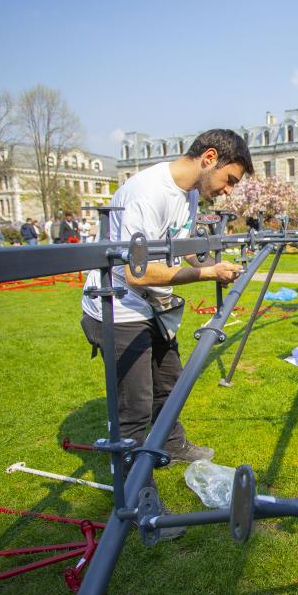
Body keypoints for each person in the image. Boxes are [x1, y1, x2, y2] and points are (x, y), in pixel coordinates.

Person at [80, 129, 253, 467]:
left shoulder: (187, 194)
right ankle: (133, 493)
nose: (229, 190)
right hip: (119, 308)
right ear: (209, 158)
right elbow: (137, 272)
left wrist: (215, 264)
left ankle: (172, 444)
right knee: (135, 407)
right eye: (229, 179)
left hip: (153, 306)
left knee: (171, 385)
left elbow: (183, 247)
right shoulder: (147, 192)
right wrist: (207, 274)